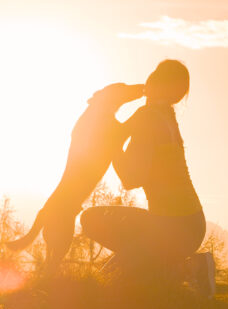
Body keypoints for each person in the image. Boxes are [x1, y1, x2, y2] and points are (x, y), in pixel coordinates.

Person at [79, 60, 216, 296]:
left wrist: (110, 145)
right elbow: (116, 131)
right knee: (115, 270)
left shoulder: (147, 118)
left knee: (94, 228)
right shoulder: (164, 115)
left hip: (171, 228)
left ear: (154, 83)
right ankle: (160, 261)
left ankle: (188, 268)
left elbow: (131, 178)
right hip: (186, 225)